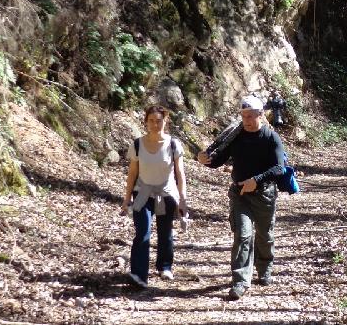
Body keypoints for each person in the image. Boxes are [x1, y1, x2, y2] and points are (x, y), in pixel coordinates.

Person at [197, 95, 285, 300]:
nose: (246, 120)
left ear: (261, 115)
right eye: (243, 116)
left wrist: (257, 179)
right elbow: (218, 159)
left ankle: (265, 268)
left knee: (265, 235)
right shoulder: (236, 136)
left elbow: (280, 168)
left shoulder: (271, 137)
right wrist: (204, 159)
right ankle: (240, 280)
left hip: (264, 194)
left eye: (250, 116)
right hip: (239, 194)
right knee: (243, 235)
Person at [120, 105, 188, 288]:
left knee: (165, 232)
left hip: (166, 192)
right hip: (143, 193)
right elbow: (132, 173)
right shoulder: (137, 144)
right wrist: (127, 199)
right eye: (151, 120)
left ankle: (164, 266)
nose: (155, 124)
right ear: (145, 122)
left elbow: (180, 174)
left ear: (165, 121)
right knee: (143, 231)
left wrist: (183, 200)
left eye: (159, 120)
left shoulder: (173, 144)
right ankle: (138, 275)